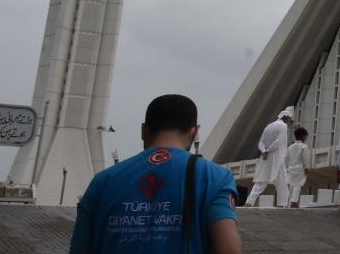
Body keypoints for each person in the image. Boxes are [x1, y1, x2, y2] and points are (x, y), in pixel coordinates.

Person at [70, 94, 241, 254]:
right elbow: (229, 249)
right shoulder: (215, 177)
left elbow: (79, 248)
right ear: (195, 132)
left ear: (144, 130)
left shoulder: (103, 181)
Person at [246, 109, 292, 206]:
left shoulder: (269, 126)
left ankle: (249, 202)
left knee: (261, 180)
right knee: (282, 182)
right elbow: (278, 142)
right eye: (289, 118)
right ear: (285, 117)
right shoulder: (283, 126)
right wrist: (268, 150)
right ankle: (282, 203)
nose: (289, 121)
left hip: (265, 158)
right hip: (277, 157)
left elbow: (261, 142)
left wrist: (264, 151)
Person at [285, 127, 310, 208]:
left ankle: (289, 203)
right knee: (298, 185)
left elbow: (286, 159)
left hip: (291, 169)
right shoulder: (304, 147)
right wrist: (306, 168)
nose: (306, 138)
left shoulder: (290, 147)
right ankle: (294, 201)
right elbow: (305, 158)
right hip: (300, 169)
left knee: (291, 186)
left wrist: (287, 168)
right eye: (306, 137)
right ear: (303, 136)